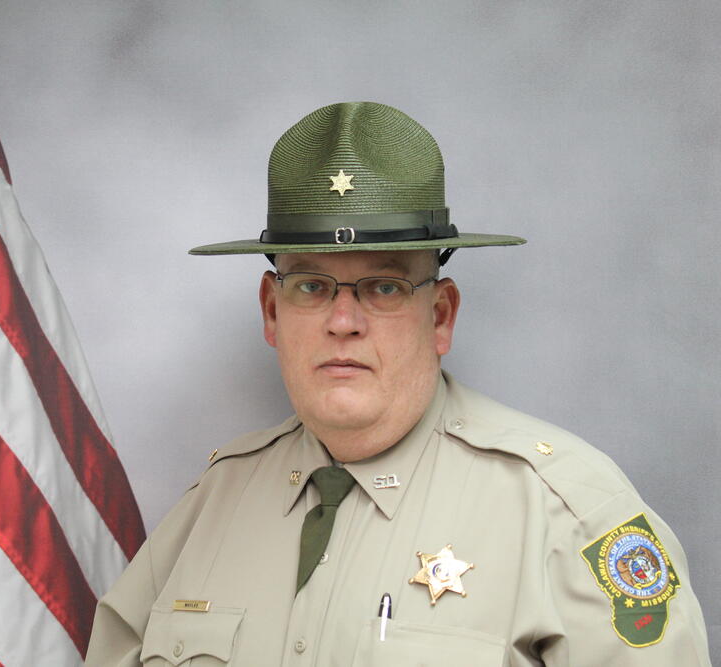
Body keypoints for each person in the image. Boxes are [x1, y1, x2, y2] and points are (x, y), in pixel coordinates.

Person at [84, 102, 711, 665]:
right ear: (272, 313)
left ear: (439, 316)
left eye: (384, 287)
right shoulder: (212, 505)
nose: (342, 321)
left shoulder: (568, 514)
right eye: (310, 286)